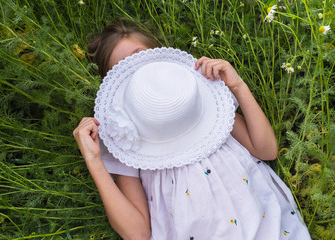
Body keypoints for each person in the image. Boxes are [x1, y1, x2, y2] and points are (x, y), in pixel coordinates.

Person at [73, 21, 311, 240]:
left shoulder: (203, 104)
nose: (142, 76)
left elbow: (266, 150)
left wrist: (237, 85)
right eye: (125, 69)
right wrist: (93, 160)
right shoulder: (126, 142)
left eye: (142, 59)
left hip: (263, 225)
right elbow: (137, 233)